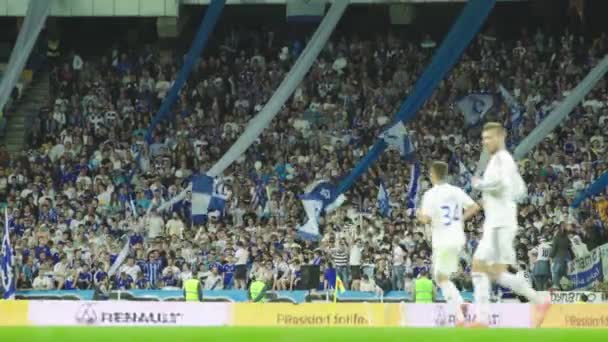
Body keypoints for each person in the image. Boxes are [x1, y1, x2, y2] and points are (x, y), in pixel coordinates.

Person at [470, 122, 550, 327]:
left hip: (500, 224)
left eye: (489, 137)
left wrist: (480, 184)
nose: (485, 142)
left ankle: (482, 319)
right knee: (492, 272)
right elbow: (519, 189)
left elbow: (500, 184)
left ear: (500, 136)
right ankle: (539, 300)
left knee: (480, 268)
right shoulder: (499, 161)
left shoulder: (502, 159)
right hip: (497, 222)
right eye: (484, 138)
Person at [417, 161, 480, 323]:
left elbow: (426, 219)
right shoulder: (456, 191)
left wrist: (418, 214)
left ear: (433, 174)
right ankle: (460, 314)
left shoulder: (430, 194)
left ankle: (460, 306)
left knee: (440, 278)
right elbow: (474, 207)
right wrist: (460, 219)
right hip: (457, 239)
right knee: (441, 277)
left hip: (443, 240)